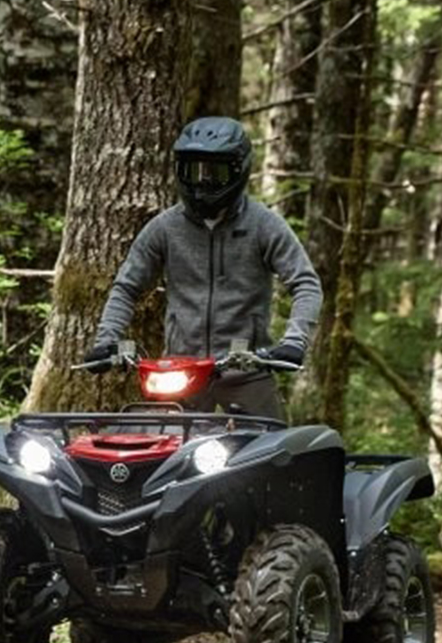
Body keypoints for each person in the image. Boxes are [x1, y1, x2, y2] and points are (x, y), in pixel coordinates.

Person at [83, 116, 322, 420]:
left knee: (273, 458)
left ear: (238, 170)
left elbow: (305, 283)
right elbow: (127, 287)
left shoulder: (263, 225)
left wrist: (294, 341)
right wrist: (107, 341)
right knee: (162, 457)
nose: (201, 183)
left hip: (247, 371)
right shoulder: (164, 228)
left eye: (215, 173)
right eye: (192, 171)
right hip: (180, 373)